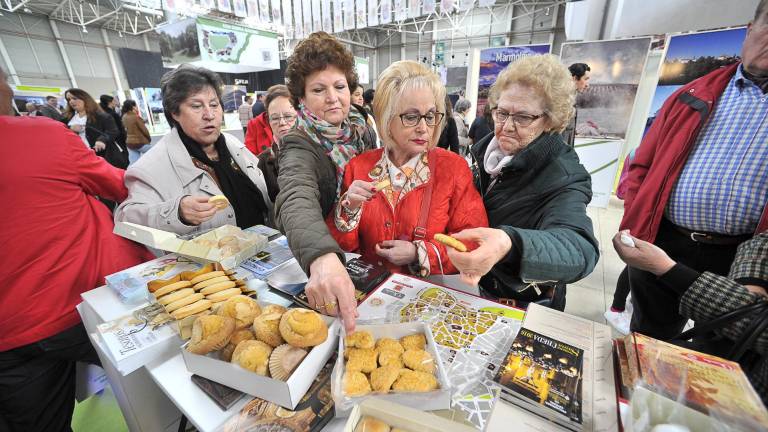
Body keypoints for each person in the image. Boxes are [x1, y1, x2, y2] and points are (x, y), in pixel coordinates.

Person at [0, 66, 152, 432]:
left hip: (10, 336)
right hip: (88, 307)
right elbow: (120, 184)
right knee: (162, 393)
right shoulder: (41, 135)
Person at [620, 0, 768, 340]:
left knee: (723, 348)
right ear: (749, 30)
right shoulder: (693, 93)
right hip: (665, 238)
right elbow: (642, 164)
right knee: (648, 336)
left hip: (743, 257)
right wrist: (637, 221)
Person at [445, 54, 599, 311]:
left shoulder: (564, 173)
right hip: (472, 288)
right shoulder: (481, 154)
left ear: (550, 120)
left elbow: (580, 249)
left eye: (523, 118)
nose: (507, 126)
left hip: (522, 302)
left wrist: (510, 243)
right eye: (502, 113)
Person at [328, 60, 488, 277]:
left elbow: (474, 244)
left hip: (426, 298)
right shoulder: (359, 167)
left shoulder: (452, 168)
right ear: (386, 119)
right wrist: (350, 209)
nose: (424, 128)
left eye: (430, 116)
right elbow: (342, 248)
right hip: (369, 293)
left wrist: (419, 253)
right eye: (411, 117)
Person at [276, 32, 377, 332]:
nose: (332, 98)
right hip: (326, 259)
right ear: (302, 98)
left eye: (339, 86)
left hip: (367, 252)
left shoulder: (362, 128)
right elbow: (295, 197)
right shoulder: (298, 144)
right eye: (319, 89)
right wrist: (321, 257)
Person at [613, 230, 768, 403]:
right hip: (666, 239)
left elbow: (753, 325)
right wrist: (754, 280)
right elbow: (763, 243)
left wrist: (667, 269)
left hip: (753, 395)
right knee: (644, 348)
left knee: (711, 365)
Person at [115, 65, 272, 235]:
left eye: (214, 104)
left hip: (263, 252)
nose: (209, 114)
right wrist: (177, 213)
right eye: (196, 106)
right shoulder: (151, 166)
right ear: (174, 112)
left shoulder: (233, 144)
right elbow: (126, 219)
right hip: (211, 261)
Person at [62, 88, 125, 169]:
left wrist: (102, 140)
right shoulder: (67, 119)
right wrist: (70, 128)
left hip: (104, 157)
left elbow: (113, 131)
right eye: (69, 99)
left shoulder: (101, 116)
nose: (71, 101)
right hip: (79, 159)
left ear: (85, 98)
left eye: (74, 98)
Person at [258, 84, 296, 202]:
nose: (282, 122)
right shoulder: (261, 163)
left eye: (288, 116)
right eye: (275, 118)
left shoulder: (321, 152)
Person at [562, 62, 591, 147]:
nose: (587, 85)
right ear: (574, 78)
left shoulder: (570, 99)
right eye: (585, 79)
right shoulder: (562, 101)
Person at [122, 99, 152, 165]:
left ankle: (134, 174)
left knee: (134, 163)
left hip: (129, 143)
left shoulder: (124, 116)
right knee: (155, 154)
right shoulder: (135, 117)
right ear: (133, 107)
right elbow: (144, 130)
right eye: (136, 105)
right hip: (140, 142)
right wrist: (148, 139)